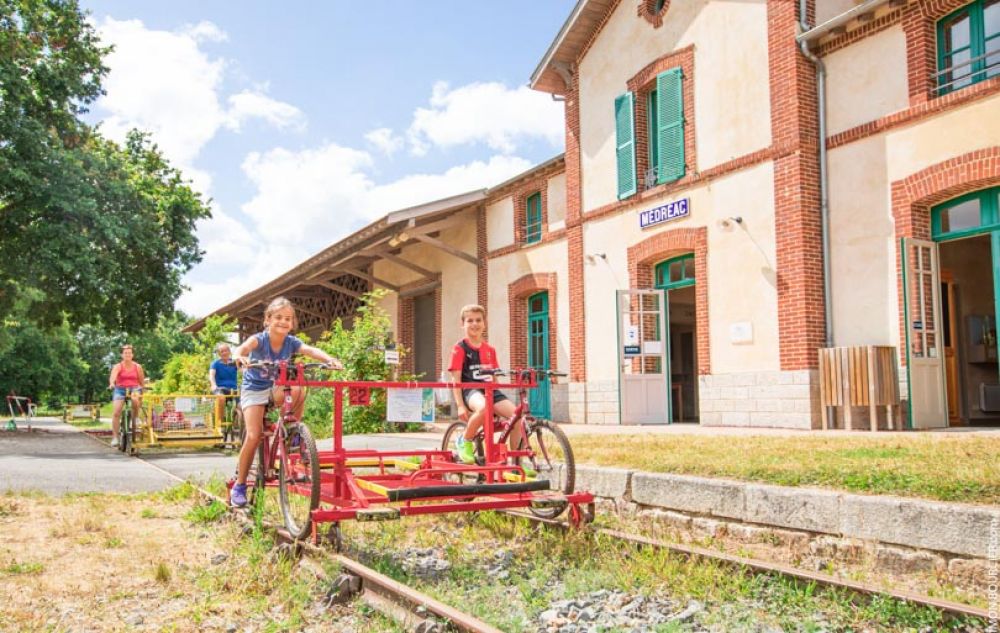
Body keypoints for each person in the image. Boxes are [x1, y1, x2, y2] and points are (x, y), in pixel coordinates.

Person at [229, 296, 342, 508]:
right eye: (278, 317)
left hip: (275, 388)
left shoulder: (291, 342)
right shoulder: (259, 339)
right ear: (268, 320)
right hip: (254, 390)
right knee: (253, 436)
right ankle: (240, 485)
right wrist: (239, 356)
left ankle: (290, 435)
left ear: (292, 323)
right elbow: (243, 348)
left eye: (288, 319)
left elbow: (310, 350)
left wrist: (328, 359)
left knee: (298, 387)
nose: (283, 322)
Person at [448, 304, 521, 464]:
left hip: (490, 391)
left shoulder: (490, 350)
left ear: (484, 323)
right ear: (463, 324)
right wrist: (460, 405)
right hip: (470, 391)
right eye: (470, 321)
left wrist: (499, 400)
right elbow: (456, 380)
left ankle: (516, 461)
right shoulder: (459, 348)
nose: (475, 324)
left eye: (478, 320)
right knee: (484, 407)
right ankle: (464, 440)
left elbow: (494, 378)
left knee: (517, 417)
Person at [108, 344, 145, 448]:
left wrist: (143, 391)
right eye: (125, 353)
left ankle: (135, 416)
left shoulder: (137, 367)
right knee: (116, 412)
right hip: (120, 389)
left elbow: (141, 382)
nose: (127, 355)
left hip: (134, 388)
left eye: (129, 353)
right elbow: (113, 377)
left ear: (132, 355)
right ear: (122, 355)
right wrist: (112, 383)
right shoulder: (118, 366)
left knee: (135, 400)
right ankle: (115, 438)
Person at [209, 343, 238, 427]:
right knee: (221, 398)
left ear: (229, 351)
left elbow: (242, 371)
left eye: (226, 350)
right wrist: (213, 385)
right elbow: (211, 375)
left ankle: (238, 422)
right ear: (219, 353)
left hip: (233, 389)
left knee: (243, 403)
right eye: (222, 351)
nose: (224, 353)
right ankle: (220, 423)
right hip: (220, 389)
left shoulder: (234, 362)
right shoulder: (215, 363)